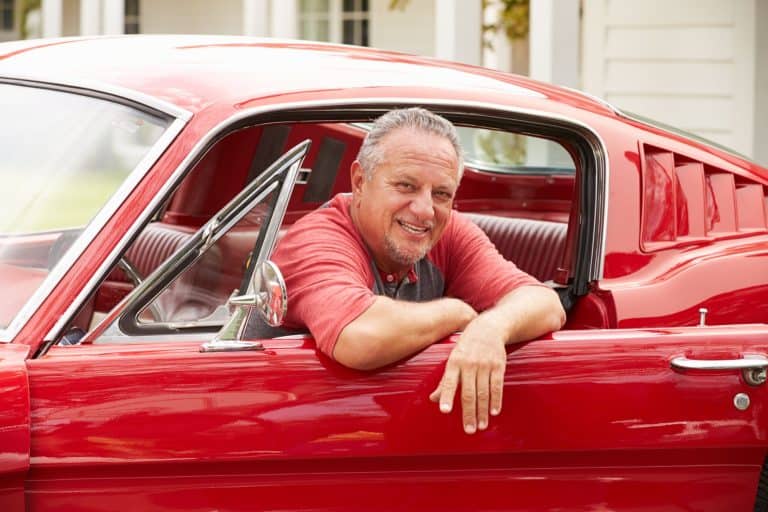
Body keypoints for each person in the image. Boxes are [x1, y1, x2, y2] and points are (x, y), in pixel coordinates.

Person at [270, 108, 565, 434]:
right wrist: (460, 314)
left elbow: (546, 304)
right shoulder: (317, 238)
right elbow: (361, 337)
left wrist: (492, 326)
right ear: (360, 181)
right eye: (406, 186)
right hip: (278, 437)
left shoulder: (448, 232)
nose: (425, 210)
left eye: (441, 194)